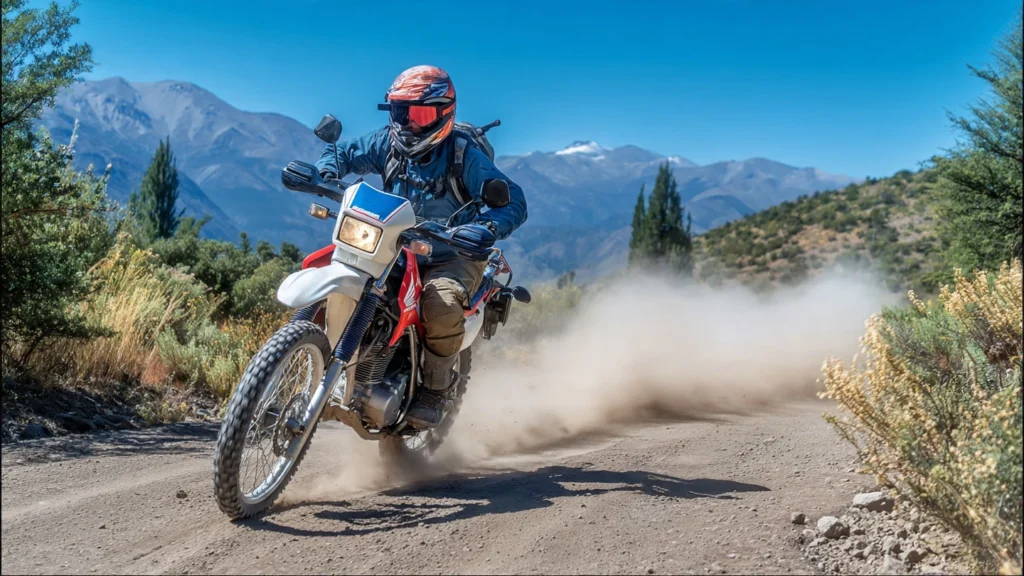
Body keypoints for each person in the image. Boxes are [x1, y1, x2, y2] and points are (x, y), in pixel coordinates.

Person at [316, 65, 528, 428]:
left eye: (421, 114)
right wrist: (322, 172)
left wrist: (487, 227)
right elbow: (344, 154)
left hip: (453, 253)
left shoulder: (463, 155)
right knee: (336, 269)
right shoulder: (387, 142)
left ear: (444, 113)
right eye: (402, 113)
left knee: (440, 302)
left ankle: (434, 389)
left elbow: (513, 201)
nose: (409, 124)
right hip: (393, 244)